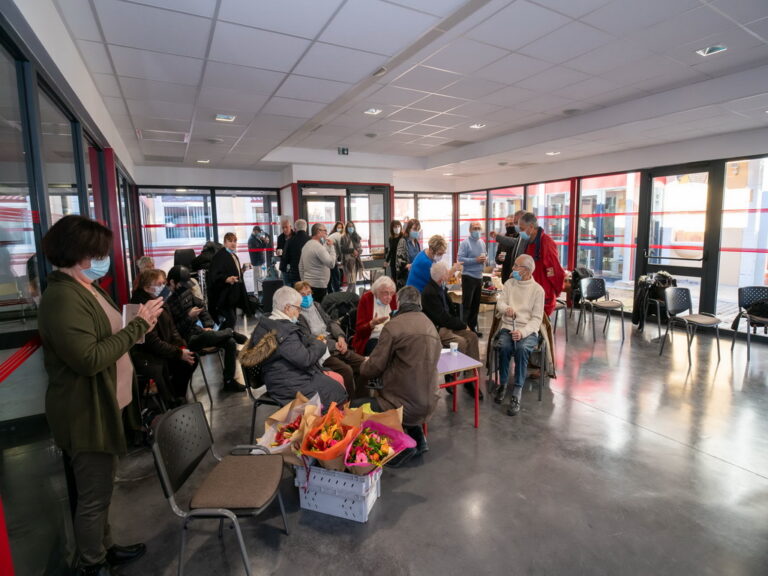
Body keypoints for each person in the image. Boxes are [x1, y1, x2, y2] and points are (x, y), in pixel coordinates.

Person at [37, 215, 163, 575]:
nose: (100, 258)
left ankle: (105, 547)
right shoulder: (62, 297)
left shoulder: (85, 288)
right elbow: (89, 358)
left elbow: (111, 331)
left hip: (105, 404)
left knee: (102, 488)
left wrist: (139, 321)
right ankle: (92, 563)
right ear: (80, 252)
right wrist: (139, 325)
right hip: (84, 412)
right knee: (93, 495)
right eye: (96, 252)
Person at [359, 286, 442, 465]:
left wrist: (362, 365)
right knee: (407, 386)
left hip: (404, 404)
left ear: (399, 302)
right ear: (418, 303)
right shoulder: (430, 325)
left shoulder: (393, 326)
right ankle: (418, 438)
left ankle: (399, 445)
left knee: (357, 404)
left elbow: (374, 367)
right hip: (430, 400)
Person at [257, 286, 348, 406]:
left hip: (284, 376)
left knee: (334, 382)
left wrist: (315, 342)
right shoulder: (283, 331)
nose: (299, 312)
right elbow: (305, 360)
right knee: (337, 392)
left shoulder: (271, 323)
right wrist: (320, 344)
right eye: (298, 308)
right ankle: (330, 421)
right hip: (287, 384)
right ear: (287, 308)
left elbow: (302, 343)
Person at [165, 265, 246, 392]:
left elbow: (201, 306)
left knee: (229, 342)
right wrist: (189, 317)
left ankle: (229, 381)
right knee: (210, 336)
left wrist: (208, 325)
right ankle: (230, 331)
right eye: (182, 283)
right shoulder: (167, 303)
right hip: (183, 340)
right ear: (172, 282)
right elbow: (173, 331)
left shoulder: (185, 291)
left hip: (197, 331)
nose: (186, 286)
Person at [130, 269, 198, 407]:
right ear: (147, 287)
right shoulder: (140, 307)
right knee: (182, 362)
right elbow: (152, 343)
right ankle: (172, 401)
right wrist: (178, 353)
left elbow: (172, 329)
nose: (163, 287)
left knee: (191, 358)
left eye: (164, 283)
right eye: (159, 284)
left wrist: (181, 346)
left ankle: (178, 396)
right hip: (150, 355)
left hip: (166, 348)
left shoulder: (159, 300)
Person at [492, 254, 545, 416]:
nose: (513, 269)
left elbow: (537, 319)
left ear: (526, 270)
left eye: (516, 266)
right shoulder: (509, 283)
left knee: (522, 349)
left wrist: (522, 332)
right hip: (508, 327)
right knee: (505, 347)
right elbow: (500, 302)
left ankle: (517, 390)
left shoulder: (538, 290)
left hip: (527, 331)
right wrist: (505, 308)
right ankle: (502, 384)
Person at [421, 261, 482, 399]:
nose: (449, 276)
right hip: (438, 329)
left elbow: (450, 313)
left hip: (447, 325)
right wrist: (462, 325)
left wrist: (461, 324)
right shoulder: (429, 292)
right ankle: (452, 377)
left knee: (472, 336)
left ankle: (471, 378)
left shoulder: (439, 287)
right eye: (447, 273)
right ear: (442, 277)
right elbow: (442, 319)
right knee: (461, 342)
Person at [294, 281, 366, 397]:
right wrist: (334, 345)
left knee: (363, 364)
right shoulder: (298, 314)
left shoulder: (316, 305)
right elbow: (308, 337)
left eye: (308, 293)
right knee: (346, 370)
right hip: (321, 351)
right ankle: (350, 405)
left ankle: (362, 398)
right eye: (303, 295)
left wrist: (341, 337)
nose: (307, 297)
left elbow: (331, 322)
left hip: (335, 343)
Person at [509, 212, 565, 317]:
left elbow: (555, 271)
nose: (520, 232)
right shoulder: (530, 242)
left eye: (521, 229)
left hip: (543, 295)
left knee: (538, 328)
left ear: (531, 227)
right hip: (529, 293)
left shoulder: (546, 243)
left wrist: (555, 292)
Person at [209, 232, 251, 331]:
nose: (233, 243)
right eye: (230, 241)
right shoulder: (220, 256)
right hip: (223, 296)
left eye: (235, 241)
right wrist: (226, 279)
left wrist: (242, 271)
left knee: (232, 320)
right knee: (230, 320)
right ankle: (221, 340)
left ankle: (225, 340)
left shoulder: (232, 255)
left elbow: (233, 271)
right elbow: (214, 275)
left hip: (231, 296)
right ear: (224, 243)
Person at [353, 275, 397, 355]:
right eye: (386, 293)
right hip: (373, 338)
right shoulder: (366, 299)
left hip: (391, 337)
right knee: (381, 353)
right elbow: (359, 331)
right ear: (377, 292)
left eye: (391, 293)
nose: (389, 297)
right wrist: (372, 324)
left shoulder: (393, 298)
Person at [457, 221, 486, 336]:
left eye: (479, 228)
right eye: (475, 228)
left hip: (479, 277)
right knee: (467, 305)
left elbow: (484, 255)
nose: (477, 230)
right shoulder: (465, 243)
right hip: (468, 277)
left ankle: (472, 329)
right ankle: (463, 328)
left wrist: (484, 259)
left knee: (475, 306)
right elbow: (460, 259)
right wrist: (475, 260)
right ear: (470, 230)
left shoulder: (482, 242)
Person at [299, 222, 336, 303]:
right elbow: (331, 263)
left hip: (308, 284)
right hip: (319, 286)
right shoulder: (318, 247)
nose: (326, 233)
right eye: (325, 231)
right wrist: (332, 247)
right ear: (318, 231)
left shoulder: (306, 245)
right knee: (319, 311)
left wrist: (304, 281)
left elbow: (300, 267)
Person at [493, 210, 527, 283]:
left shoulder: (521, 237)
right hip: (506, 275)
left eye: (511, 224)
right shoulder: (503, 240)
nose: (509, 226)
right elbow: (497, 260)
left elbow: (513, 242)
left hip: (518, 275)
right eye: (506, 225)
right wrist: (499, 259)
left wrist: (497, 236)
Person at [280, 219, 308, 287]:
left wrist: (283, 269)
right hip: (308, 273)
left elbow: (285, 258)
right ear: (306, 228)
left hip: (294, 273)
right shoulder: (311, 240)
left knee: (295, 294)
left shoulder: (290, 241)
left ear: (295, 229)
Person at [395, 218, 420, 289]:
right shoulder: (403, 241)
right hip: (405, 279)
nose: (416, 231)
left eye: (418, 229)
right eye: (414, 229)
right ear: (409, 229)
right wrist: (409, 265)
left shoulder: (416, 242)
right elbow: (399, 262)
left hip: (415, 277)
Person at [339, 221, 363, 293]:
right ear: (346, 228)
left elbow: (360, 249)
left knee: (354, 282)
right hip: (348, 262)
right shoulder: (344, 237)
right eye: (349, 226)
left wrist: (357, 252)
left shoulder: (357, 237)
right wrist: (352, 250)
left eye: (352, 226)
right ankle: (347, 299)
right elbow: (342, 249)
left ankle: (353, 299)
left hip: (356, 262)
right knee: (351, 283)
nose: (351, 228)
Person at [327, 221, 344, 293]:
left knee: (331, 275)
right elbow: (341, 249)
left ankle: (331, 290)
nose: (339, 229)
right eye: (338, 227)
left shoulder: (333, 235)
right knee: (336, 274)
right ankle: (337, 290)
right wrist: (343, 261)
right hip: (330, 257)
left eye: (341, 228)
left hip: (328, 256)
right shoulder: (339, 235)